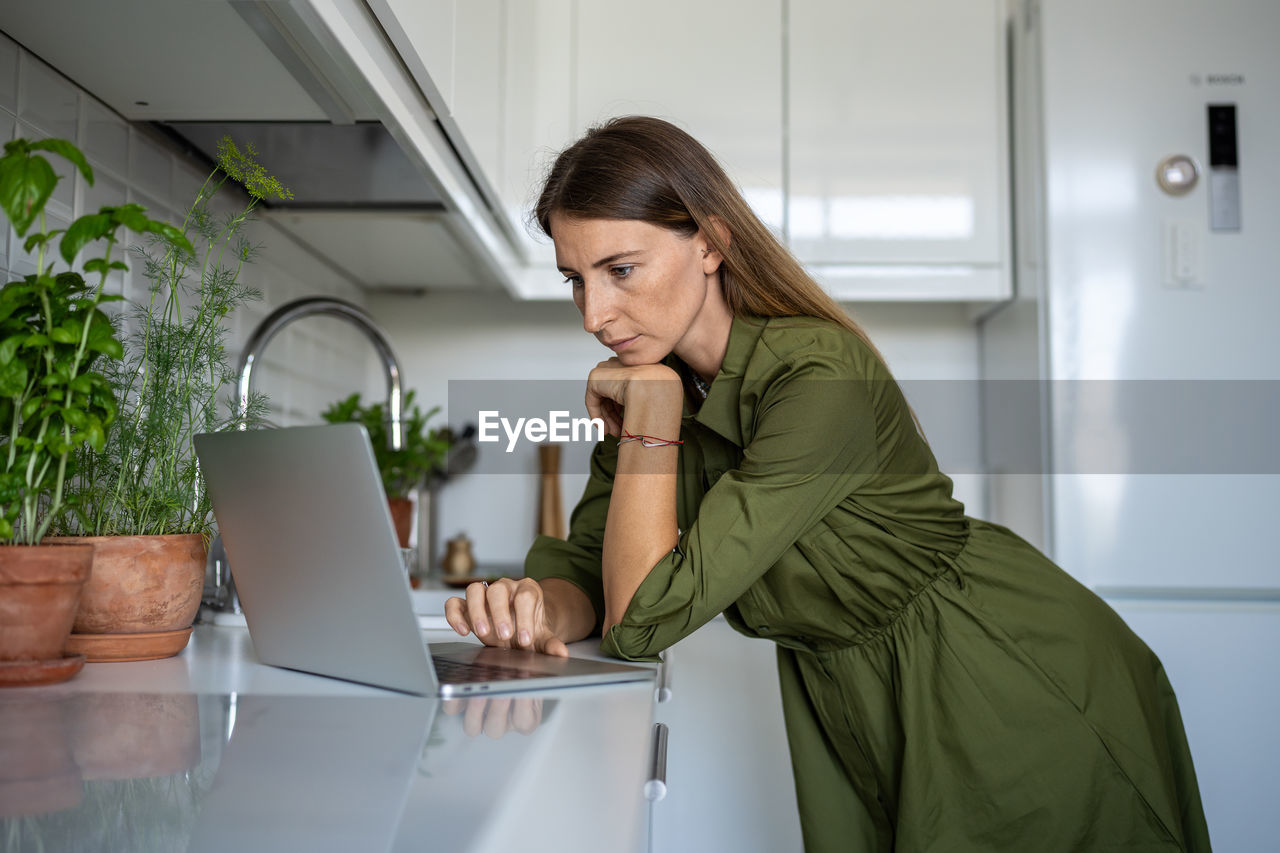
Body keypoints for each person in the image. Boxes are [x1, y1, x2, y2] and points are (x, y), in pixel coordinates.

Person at [443, 116, 1211, 852]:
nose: (594, 315)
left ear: (710, 243)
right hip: (843, 698)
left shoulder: (816, 374)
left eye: (620, 270)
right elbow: (593, 574)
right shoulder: (658, 389)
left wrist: (650, 423)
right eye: (577, 280)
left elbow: (640, 618)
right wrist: (535, 605)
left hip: (996, 681)